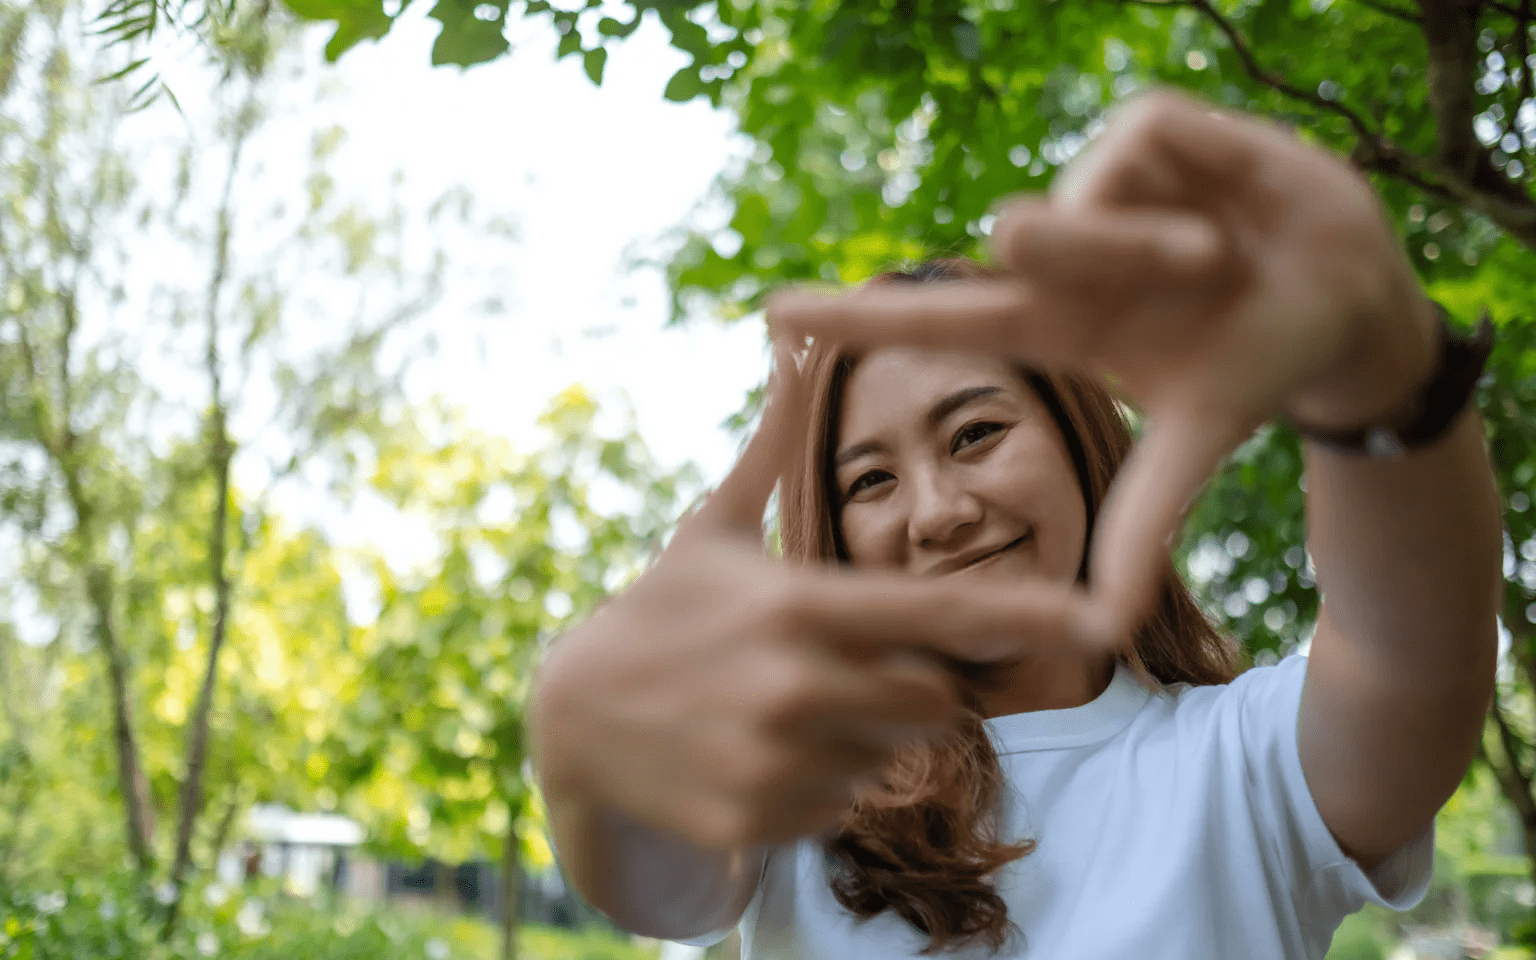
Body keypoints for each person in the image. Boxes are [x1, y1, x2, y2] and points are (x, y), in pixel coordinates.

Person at [527, 88, 1505, 959]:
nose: (940, 514)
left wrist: (1380, 363)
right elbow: (660, 884)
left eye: (977, 433)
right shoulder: (799, 791)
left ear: (1080, 441)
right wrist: (581, 761)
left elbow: (1414, 654)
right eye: (869, 482)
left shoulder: (1247, 764)